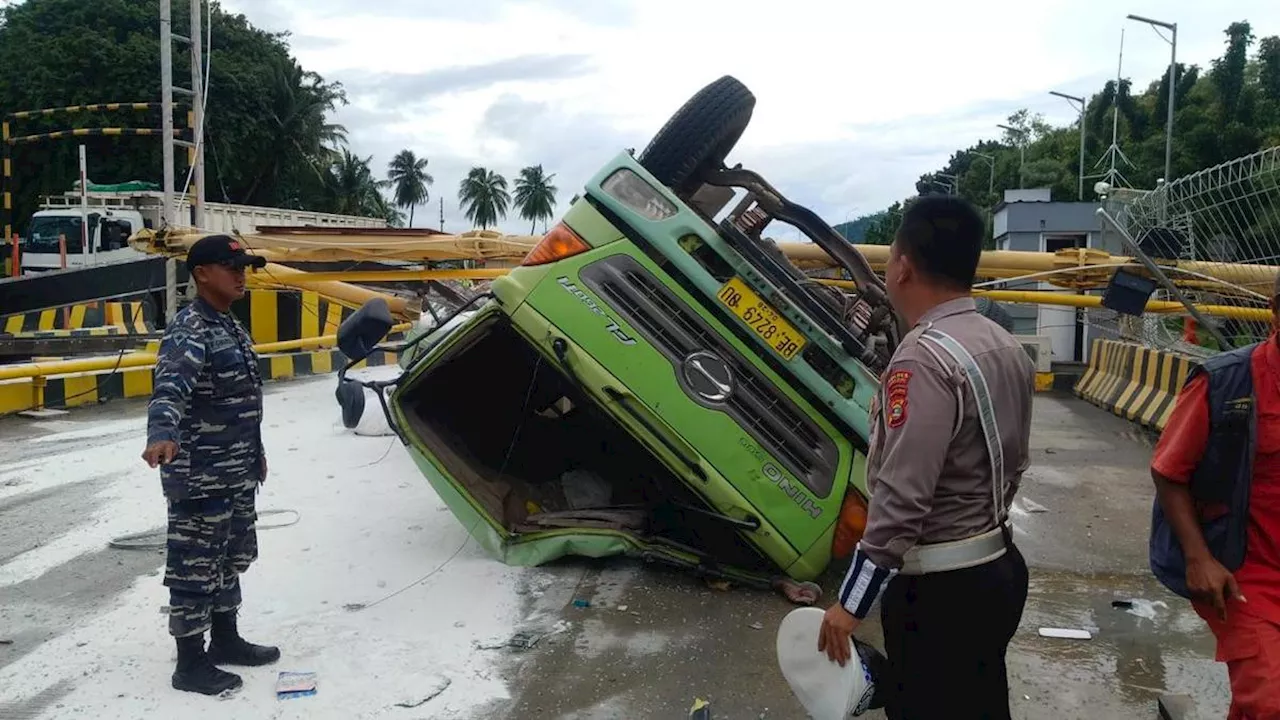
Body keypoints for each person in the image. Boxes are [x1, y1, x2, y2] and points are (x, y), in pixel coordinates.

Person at [816, 195, 1035, 719]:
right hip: (999, 568)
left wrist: (852, 603)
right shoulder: (1004, 345)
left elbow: (903, 498)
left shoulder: (922, 359)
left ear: (903, 267)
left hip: (941, 591)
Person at [141, 234, 280, 696]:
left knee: (230, 557)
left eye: (245, 267)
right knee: (194, 567)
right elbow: (169, 390)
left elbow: (243, 400)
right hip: (200, 475)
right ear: (201, 274)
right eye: (231, 266)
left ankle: (224, 639)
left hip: (235, 472)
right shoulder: (191, 328)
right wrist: (161, 434)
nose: (242, 275)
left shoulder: (230, 326)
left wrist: (254, 456)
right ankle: (190, 664)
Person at [1149, 274, 1280, 719]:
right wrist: (1198, 558)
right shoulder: (1228, 384)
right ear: (1275, 315)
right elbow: (1169, 471)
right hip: (1245, 575)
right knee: (1269, 702)